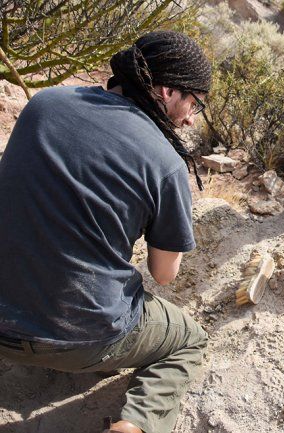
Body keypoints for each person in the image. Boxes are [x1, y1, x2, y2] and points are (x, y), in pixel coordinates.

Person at [0, 31, 212, 433]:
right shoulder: (164, 162)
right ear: (167, 91)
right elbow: (164, 274)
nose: (189, 118)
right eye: (194, 104)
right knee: (188, 340)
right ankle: (133, 426)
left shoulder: (44, 103)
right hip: (78, 336)